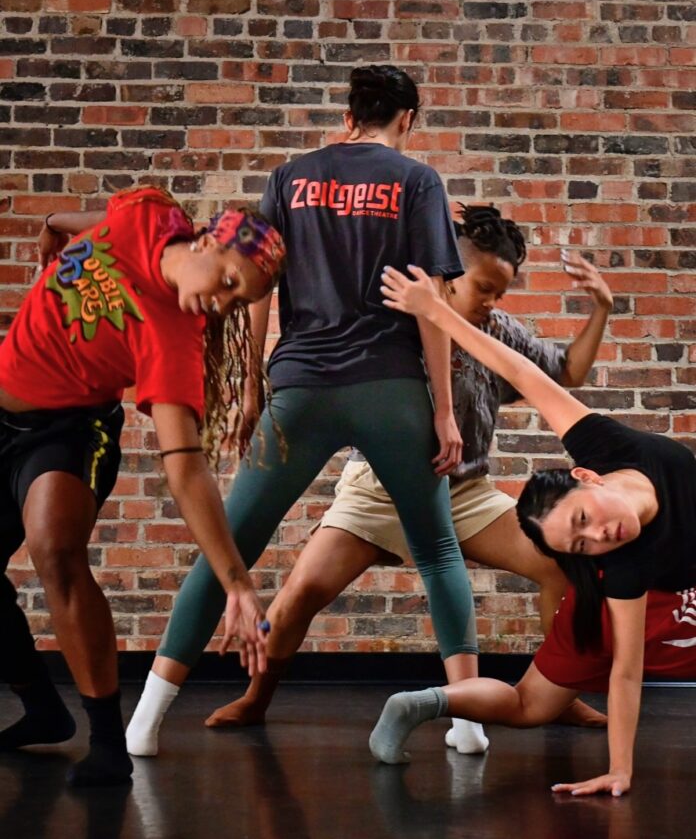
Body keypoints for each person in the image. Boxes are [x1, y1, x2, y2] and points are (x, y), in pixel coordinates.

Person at [126, 64, 477, 757]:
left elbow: (258, 284)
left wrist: (256, 381)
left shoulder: (290, 177)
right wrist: (444, 408)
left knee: (230, 543)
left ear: (351, 111)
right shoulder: (417, 182)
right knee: (437, 550)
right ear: (405, 118)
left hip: (301, 387)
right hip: (392, 389)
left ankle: (145, 720)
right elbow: (432, 303)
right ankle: (468, 721)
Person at [201, 205, 613, 751]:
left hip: (461, 494)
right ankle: (256, 698)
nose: (491, 303)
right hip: (376, 492)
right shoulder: (395, 323)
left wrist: (601, 310)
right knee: (296, 596)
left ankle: (556, 692)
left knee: (564, 569)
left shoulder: (498, 331)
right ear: (448, 274)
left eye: (500, 294)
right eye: (484, 287)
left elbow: (568, 372)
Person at [370, 261, 696, 796]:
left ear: (586, 477)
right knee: (526, 707)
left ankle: (431, 702)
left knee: (531, 706)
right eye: (581, 546)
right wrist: (621, 769)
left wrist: (434, 310)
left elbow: (522, 371)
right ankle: (424, 703)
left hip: (666, 598)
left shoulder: (602, 443)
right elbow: (626, 673)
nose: (601, 539)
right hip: (614, 607)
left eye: (585, 521)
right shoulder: (623, 565)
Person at [0, 185, 285, 786]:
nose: (224, 305)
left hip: (68, 431)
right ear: (206, 241)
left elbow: (184, 466)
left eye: (241, 304)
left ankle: (107, 741)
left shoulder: (172, 335)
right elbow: (108, 217)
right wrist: (56, 221)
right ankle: (40, 707)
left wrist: (236, 582)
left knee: (54, 549)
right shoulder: (152, 213)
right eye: (231, 284)